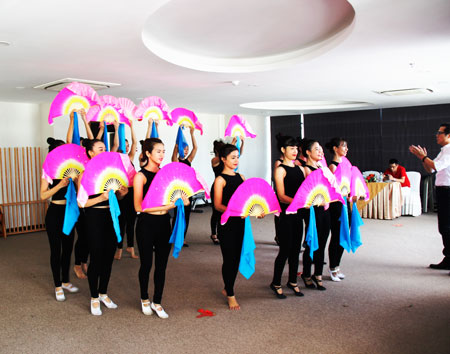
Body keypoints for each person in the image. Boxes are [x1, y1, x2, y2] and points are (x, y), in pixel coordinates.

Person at [134, 138, 189, 318]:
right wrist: (169, 206)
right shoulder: (140, 176)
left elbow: (182, 198)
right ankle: (144, 298)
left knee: (162, 266)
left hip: (164, 224)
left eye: (164, 151)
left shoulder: (166, 174)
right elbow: (139, 207)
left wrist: (183, 200)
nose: (162, 155)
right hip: (146, 224)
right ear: (148, 154)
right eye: (158, 151)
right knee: (146, 264)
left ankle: (157, 301)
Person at [80, 139, 128, 315]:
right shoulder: (85, 173)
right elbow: (82, 203)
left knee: (108, 256)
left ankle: (103, 293)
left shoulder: (111, 172)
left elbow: (118, 197)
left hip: (112, 215)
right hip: (94, 217)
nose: (104, 151)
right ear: (90, 153)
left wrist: (122, 194)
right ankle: (93, 297)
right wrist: (101, 198)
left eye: (105, 148)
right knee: (96, 257)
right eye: (100, 149)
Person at [41, 138, 79, 301]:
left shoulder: (72, 169)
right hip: (55, 211)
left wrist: (77, 181)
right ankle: (57, 285)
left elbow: (81, 193)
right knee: (56, 250)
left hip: (69, 211)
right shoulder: (48, 171)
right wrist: (59, 185)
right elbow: (43, 195)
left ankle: (65, 281)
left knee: (68, 248)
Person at [409, 123, 450, 270]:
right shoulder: (443, 151)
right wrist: (422, 158)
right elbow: (431, 169)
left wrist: (423, 156)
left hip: (447, 191)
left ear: (448, 135)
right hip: (443, 190)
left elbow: (435, 166)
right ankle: (448, 258)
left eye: (440, 133)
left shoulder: (449, 150)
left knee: (446, 227)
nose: (437, 135)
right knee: (444, 227)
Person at [271, 135, 306, 298]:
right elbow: (281, 196)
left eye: (296, 148)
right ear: (283, 150)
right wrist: (299, 202)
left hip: (298, 215)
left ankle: (292, 281)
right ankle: (276, 282)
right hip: (285, 215)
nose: (295, 151)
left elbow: (305, 191)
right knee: (284, 250)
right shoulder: (280, 169)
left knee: (296, 249)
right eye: (291, 148)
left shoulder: (300, 169)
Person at [214, 144, 246, 310]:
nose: (236, 160)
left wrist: (256, 210)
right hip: (226, 224)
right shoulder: (220, 180)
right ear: (223, 159)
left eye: (237, 157)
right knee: (229, 259)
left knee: (236, 258)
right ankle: (231, 294)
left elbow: (248, 200)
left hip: (240, 223)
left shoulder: (241, 177)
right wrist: (234, 211)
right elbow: (218, 205)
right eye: (232, 157)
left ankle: (228, 287)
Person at [66, 109, 94, 280]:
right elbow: (70, 141)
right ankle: (78, 264)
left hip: (93, 202)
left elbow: (91, 141)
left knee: (91, 235)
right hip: (79, 202)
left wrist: (85, 119)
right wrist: (72, 119)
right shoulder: (76, 162)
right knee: (83, 235)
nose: (83, 147)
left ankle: (84, 261)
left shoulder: (91, 161)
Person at [301, 139, 331, 291]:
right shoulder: (306, 169)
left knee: (323, 242)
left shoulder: (323, 168)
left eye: (321, 149)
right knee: (313, 242)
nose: (321, 152)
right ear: (308, 152)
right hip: (313, 211)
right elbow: (308, 193)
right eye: (317, 149)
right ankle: (306, 273)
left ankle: (317, 274)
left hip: (326, 209)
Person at [325, 137, 350, 282]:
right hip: (336, 205)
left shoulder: (346, 164)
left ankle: (337, 266)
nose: (346, 149)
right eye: (343, 146)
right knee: (336, 235)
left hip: (345, 202)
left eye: (346, 147)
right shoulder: (332, 166)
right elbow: (330, 189)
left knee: (343, 235)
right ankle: (332, 267)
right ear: (335, 148)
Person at [115, 120, 138, 260]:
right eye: (125, 146)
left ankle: (130, 247)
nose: (128, 148)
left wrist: (132, 126)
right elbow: (116, 145)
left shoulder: (130, 158)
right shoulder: (115, 160)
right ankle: (119, 248)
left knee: (131, 222)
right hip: (120, 194)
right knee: (121, 222)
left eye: (128, 146)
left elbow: (135, 144)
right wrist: (117, 128)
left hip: (132, 193)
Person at [171, 126, 198, 247]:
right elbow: (175, 153)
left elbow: (196, 148)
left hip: (188, 192)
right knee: (177, 215)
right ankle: (174, 236)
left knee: (186, 216)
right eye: (184, 148)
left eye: (187, 149)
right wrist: (177, 145)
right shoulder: (175, 160)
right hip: (178, 193)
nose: (186, 151)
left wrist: (192, 133)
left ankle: (183, 238)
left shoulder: (189, 160)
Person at [210, 139, 225, 245]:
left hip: (225, 188)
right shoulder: (215, 160)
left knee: (223, 211)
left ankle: (221, 232)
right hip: (216, 187)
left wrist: (240, 143)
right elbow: (220, 160)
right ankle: (213, 233)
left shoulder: (225, 159)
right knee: (216, 212)